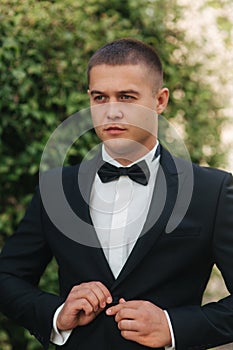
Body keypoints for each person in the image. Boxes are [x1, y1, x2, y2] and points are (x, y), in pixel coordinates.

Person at [0, 38, 233, 350]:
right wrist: (56, 314)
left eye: (126, 97)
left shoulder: (211, 191)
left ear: (160, 100)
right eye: (100, 97)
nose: (111, 112)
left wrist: (173, 327)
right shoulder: (56, 189)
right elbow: (7, 278)